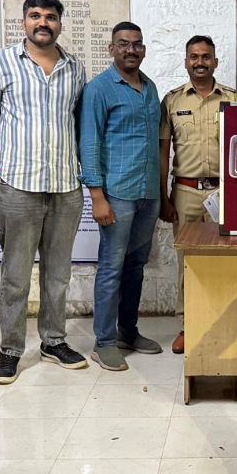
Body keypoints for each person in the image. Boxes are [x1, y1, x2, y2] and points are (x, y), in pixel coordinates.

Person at [0, 0, 88, 384]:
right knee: (16, 276)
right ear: (23, 21)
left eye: (51, 17)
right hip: (19, 188)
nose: (43, 22)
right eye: (36, 15)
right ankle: (10, 349)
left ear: (60, 23)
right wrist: (15, 156)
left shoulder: (75, 68)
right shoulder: (0, 62)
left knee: (58, 275)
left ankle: (53, 341)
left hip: (65, 187)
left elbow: (77, 119)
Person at [79, 21, 164, 371]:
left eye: (137, 44)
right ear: (111, 49)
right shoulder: (99, 89)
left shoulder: (150, 87)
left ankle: (128, 330)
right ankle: (103, 342)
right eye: (124, 43)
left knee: (136, 265)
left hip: (148, 193)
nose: (131, 49)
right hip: (117, 193)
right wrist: (97, 195)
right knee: (112, 267)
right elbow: (89, 143)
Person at [158, 35, 237, 354]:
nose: (200, 62)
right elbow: (163, 153)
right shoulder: (172, 101)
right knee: (188, 263)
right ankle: (187, 325)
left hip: (224, 192)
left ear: (215, 62)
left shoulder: (232, 98)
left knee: (226, 262)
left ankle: (223, 324)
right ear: (186, 62)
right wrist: (164, 197)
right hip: (186, 192)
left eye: (206, 56)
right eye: (194, 57)